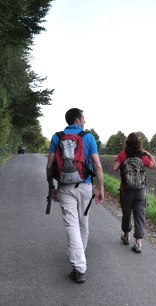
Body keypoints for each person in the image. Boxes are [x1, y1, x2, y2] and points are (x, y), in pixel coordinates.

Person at [46, 108, 104, 283]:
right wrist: (101, 188)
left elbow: (49, 166)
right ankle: (80, 258)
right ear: (78, 120)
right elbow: (97, 165)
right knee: (83, 221)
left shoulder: (57, 136)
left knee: (72, 225)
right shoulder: (88, 137)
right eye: (83, 118)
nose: (85, 120)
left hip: (64, 187)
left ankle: (79, 266)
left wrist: (51, 187)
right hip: (85, 185)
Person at [112, 132, 156, 253]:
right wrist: (149, 154)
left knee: (126, 214)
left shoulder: (122, 155)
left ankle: (126, 236)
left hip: (126, 190)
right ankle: (138, 243)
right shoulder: (142, 156)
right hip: (140, 191)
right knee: (140, 215)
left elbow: (114, 168)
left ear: (127, 142)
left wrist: (120, 160)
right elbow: (153, 166)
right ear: (139, 143)